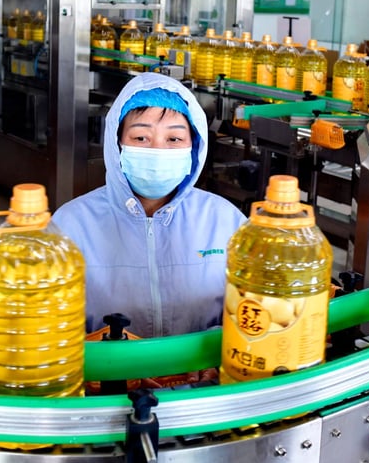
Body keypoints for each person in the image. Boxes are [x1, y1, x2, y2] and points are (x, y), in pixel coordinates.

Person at [52, 72, 246, 338]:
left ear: (194, 146)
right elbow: (47, 322)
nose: (158, 151)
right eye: (141, 138)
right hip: (107, 375)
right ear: (116, 143)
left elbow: (252, 310)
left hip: (207, 377)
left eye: (174, 139)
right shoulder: (70, 226)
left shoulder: (225, 221)